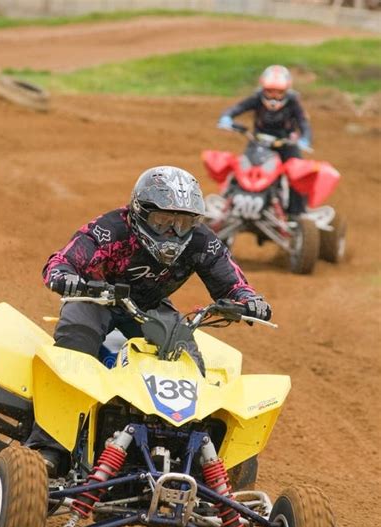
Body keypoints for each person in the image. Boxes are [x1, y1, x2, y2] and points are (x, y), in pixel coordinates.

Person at [26, 165, 272, 473]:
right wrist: (63, 276)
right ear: (140, 213)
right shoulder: (111, 229)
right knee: (76, 344)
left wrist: (248, 300)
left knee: (187, 358)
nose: (172, 232)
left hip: (149, 307)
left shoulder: (200, 241)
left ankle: (196, 458)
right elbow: (62, 261)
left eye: (182, 223)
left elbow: (231, 281)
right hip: (95, 298)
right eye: (162, 221)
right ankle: (49, 446)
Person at [217, 65, 312, 217]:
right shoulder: (256, 98)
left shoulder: (293, 102)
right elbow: (237, 108)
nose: (274, 95)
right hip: (258, 142)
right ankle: (227, 201)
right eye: (270, 90)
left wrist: (305, 138)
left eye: (279, 92)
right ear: (263, 88)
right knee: (241, 167)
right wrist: (226, 117)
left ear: (286, 90)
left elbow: (303, 123)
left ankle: (297, 213)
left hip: (285, 144)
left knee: (297, 174)